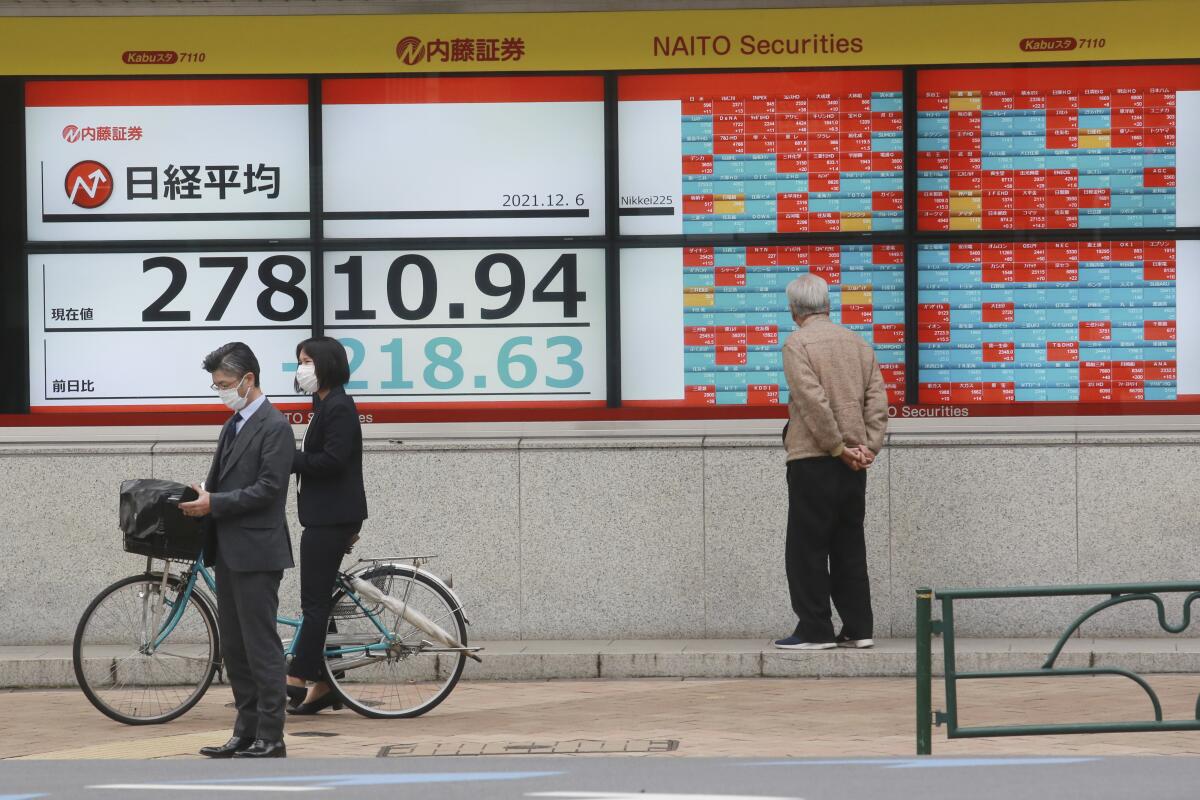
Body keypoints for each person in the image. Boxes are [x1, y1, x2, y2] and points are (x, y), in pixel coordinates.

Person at [181, 342, 294, 758]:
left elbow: (269, 490)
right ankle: (245, 730)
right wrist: (205, 496)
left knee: (260, 644)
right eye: (216, 386)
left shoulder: (275, 426)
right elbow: (228, 483)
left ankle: (271, 734)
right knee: (235, 645)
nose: (221, 392)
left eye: (225, 384)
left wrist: (216, 503)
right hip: (228, 548)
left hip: (258, 550)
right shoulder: (233, 425)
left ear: (249, 380)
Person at [774, 274, 888, 651]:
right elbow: (877, 401)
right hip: (855, 464)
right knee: (849, 545)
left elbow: (812, 403)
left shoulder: (797, 344)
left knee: (806, 548)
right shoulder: (858, 343)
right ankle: (858, 627)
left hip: (814, 458)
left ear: (794, 310)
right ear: (828, 304)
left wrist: (838, 447)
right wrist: (867, 447)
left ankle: (815, 629)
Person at [285, 337, 368, 715]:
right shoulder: (324, 406)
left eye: (306, 361)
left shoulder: (339, 408)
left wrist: (292, 460)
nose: (301, 368)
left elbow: (333, 461)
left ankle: (298, 676)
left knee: (314, 604)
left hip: (331, 517)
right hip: (326, 515)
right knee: (320, 602)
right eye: (300, 361)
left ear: (326, 364)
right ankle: (325, 683)